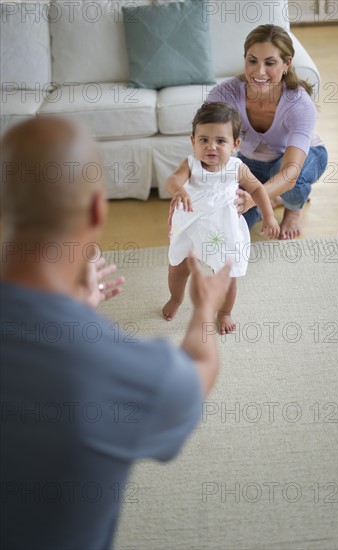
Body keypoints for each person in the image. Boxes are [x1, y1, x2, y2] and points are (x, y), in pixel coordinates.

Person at [0, 116, 232, 550]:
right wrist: (204, 307)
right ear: (96, 209)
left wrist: (69, 310)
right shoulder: (122, 371)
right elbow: (197, 370)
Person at [162, 102, 280, 334]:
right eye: (203, 139)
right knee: (178, 268)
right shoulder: (191, 164)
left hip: (223, 230)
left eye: (220, 141)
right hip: (190, 226)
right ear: (192, 140)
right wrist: (178, 190)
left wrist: (269, 217)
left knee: (227, 275)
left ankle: (224, 312)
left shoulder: (237, 167)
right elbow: (173, 179)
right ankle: (175, 298)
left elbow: (257, 190)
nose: (211, 147)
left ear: (235, 144)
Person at [207, 24, 328, 240]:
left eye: (270, 63)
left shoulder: (299, 104)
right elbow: (207, 144)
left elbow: (289, 174)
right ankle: (273, 196)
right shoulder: (224, 94)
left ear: (286, 64)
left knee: (291, 184)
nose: (259, 71)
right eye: (252, 60)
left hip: (305, 158)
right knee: (232, 221)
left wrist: (253, 198)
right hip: (252, 162)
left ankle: (293, 208)